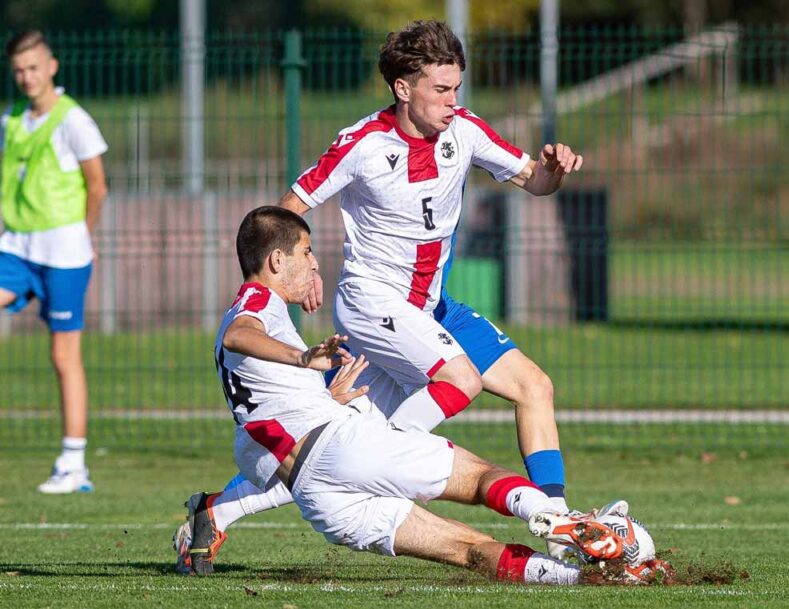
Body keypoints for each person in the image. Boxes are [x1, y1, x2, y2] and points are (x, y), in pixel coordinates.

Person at [175, 19, 583, 567]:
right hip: (373, 301)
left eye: (456, 87)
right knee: (455, 379)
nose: (451, 100)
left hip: (432, 308)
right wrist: (302, 269)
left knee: (534, 386)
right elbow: (288, 209)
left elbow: (534, 179)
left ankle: (559, 525)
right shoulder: (362, 144)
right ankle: (388, 461)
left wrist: (554, 172)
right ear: (402, 88)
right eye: (440, 89)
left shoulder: (466, 131)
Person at [187, 205, 651, 585]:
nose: (313, 263)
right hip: (344, 450)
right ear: (275, 261)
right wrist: (302, 357)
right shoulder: (253, 305)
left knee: (468, 550)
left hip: (318, 498)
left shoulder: (252, 332)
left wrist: (327, 399)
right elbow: (240, 335)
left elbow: (264, 423)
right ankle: (562, 520)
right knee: (481, 476)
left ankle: (580, 581)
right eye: (306, 252)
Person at [0, 30, 108, 494]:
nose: (26, 77)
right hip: (16, 248)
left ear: (52, 66)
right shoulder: (11, 120)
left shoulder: (74, 121)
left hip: (63, 252)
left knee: (63, 355)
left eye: (33, 67)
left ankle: (73, 464)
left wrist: (84, 235)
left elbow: (97, 186)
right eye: (19, 70)